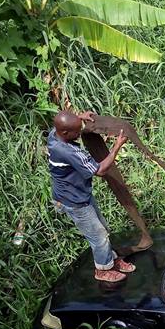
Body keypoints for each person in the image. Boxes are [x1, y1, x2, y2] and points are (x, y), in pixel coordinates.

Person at [48, 110, 137, 284]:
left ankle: (110, 258)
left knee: (103, 228)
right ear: (65, 133)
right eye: (76, 130)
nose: (80, 132)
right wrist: (117, 146)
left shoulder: (54, 135)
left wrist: (79, 117)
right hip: (73, 201)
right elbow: (101, 171)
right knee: (98, 236)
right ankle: (103, 270)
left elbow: (64, 124)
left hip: (79, 194)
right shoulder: (69, 152)